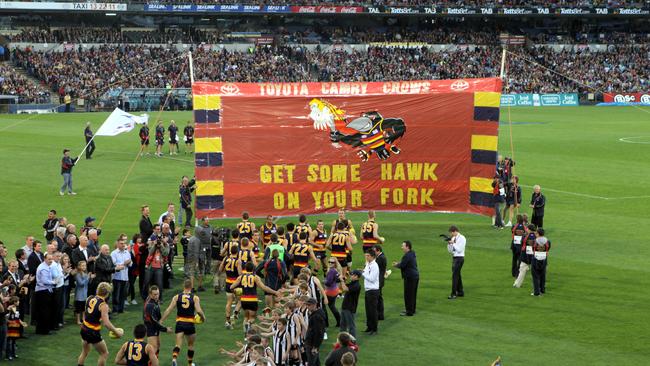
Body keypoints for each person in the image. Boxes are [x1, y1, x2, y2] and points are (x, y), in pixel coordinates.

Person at [160, 279, 206, 366]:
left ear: (183, 286)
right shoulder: (195, 298)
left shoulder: (176, 297)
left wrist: (161, 320)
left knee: (178, 344)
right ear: (191, 286)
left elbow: (169, 309)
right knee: (191, 345)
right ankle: (190, 364)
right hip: (190, 324)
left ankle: (174, 358)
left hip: (180, 323)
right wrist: (203, 318)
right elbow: (199, 310)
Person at [78, 282, 124, 366]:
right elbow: (106, 323)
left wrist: (104, 311)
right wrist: (117, 332)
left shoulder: (90, 298)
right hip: (93, 332)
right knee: (104, 353)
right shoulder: (103, 305)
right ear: (107, 294)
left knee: (84, 352)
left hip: (84, 329)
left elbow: (90, 312)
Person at [230, 261, 280, 333]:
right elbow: (264, 288)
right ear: (253, 269)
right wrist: (275, 292)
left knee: (246, 317)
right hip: (252, 299)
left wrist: (237, 292)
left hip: (244, 300)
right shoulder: (255, 277)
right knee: (252, 318)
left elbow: (231, 287)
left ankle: (246, 335)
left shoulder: (241, 277)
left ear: (245, 269)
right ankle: (249, 324)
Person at [143, 286, 171, 358]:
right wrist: (165, 329)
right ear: (150, 294)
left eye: (158, 294)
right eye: (154, 294)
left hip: (154, 327)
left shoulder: (154, 301)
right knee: (153, 350)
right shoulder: (150, 305)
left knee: (157, 346)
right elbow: (154, 322)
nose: (156, 296)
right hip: (151, 328)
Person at [393, 240, 419, 316]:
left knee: (408, 294)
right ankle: (412, 309)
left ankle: (409, 311)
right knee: (412, 294)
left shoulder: (407, 255)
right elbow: (405, 263)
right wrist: (399, 264)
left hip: (410, 277)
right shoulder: (412, 253)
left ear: (407, 247)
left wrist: (396, 265)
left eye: (403, 246)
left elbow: (403, 265)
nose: (402, 247)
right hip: (414, 276)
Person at [34, 253, 55, 334]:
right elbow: (45, 281)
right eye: (49, 259)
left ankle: (40, 329)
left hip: (42, 291)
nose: (51, 261)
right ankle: (44, 330)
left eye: (51, 259)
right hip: (43, 292)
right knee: (44, 311)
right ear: (45, 259)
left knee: (42, 311)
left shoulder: (44, 266)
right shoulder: (43, 268)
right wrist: (54, 282)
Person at [220, 245, 240, 330]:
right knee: (241, 300)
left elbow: (220, 269)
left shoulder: (225, 258)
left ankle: (227, 321)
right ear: (237, 251)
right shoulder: (238, 261)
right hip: (236, 283)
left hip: (228, 282)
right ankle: (235, 313)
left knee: (229, 302)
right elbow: (240, 273)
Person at [111, 235, 132, 314]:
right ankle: (115, 309)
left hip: (125, 276)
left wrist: (129, 263)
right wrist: (124, 263)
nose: (123, 245)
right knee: (116, 294)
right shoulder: (114, 253)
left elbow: (130, 264)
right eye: (121, 243)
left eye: (124, 243)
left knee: (123, 294)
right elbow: (114, 264)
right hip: (117, 277)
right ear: (118, 244)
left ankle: (121, 309)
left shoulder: (127, 252)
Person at [361, 250, 379, 335]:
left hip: (373, 291)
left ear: (372, 256)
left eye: (367, 256)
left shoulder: (375, 266)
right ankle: (369, 327)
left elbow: (371, 278)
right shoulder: (368, 264)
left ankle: (374, 329)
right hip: (368, 290)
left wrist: (362, 273)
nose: (366, 257)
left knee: (373, 311)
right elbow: (365, 272)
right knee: (368, 310)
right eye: (366, 255)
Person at [304, 298, 326, 366]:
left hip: (312, 344)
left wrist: (315, 346)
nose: (307, 306)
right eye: (306, 305)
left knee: (311, 363)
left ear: (314, 305)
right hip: (312, 343)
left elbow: (319, 333)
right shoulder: (318, 312)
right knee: (316, 362)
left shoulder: (316, 316)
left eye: (309, 305)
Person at [514, 224, 537, 288]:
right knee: (535, 273)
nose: (526, 229)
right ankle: (537, 287)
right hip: (535, 256)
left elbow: (522, 244)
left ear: (529, 229)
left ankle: (517, 284)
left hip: (525, 256)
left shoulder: (525, 236)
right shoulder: (537, 236)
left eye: (527, 228)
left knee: (522, 270)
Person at [447, 225, 465, 299]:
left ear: (455, 231)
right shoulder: (453, 238)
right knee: (457, 275)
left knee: (455, 276)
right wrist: (449, 244)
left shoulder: (462, 238)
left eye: (451, 233)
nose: (451, 234)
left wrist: (453, 243)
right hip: (455, 258)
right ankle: (460, 292)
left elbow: (459, 249)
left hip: (460, 258)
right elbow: (450, 251)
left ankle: (453, 294)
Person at [531, 228, 551, 296]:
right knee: (543, 275)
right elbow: (548, 249)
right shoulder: (548, 241)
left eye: (536, 233)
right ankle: (542, 290)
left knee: (535, 276)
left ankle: (536, 292)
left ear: (538, 234)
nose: (535, 234)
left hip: (535, 259)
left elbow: (532, 249)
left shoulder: (534, 241)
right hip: (544, 260)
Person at [323, 258, 342, 328]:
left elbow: (328, 283)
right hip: (335, 290)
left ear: (335, 264)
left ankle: (326, 323)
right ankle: (339, 321)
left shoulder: (331, 271)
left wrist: (324, 281)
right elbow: (337, 280)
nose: (330, 263)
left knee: (323, 306)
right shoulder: (336, 270)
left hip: (330, 291)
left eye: (332, 262)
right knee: (332, 306)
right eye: (329, 262)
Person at [372, 245, 386, 321]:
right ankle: (380, 315)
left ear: (378, 251)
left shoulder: (381, 258)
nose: (373, 253)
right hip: (380, 281)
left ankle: (379, 315)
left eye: (374, 251)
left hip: (378, 281)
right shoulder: (381, 257)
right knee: (379, 298)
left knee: (378, 299)